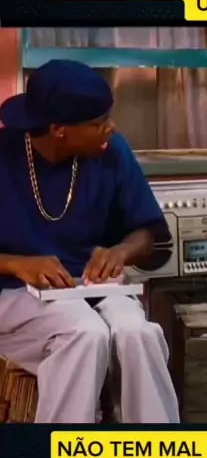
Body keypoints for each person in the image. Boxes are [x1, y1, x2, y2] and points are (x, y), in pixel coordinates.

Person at [0, 59, 180, 425]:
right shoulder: (5, 155)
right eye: (98, 123)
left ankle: (156, 450)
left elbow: (148, 232)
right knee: (84, 333)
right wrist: (16, 263)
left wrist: (121, 251)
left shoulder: (111, 151)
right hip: (13, 293)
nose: (111, 128)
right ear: (59, 129)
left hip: (90, 286)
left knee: (137, 334)